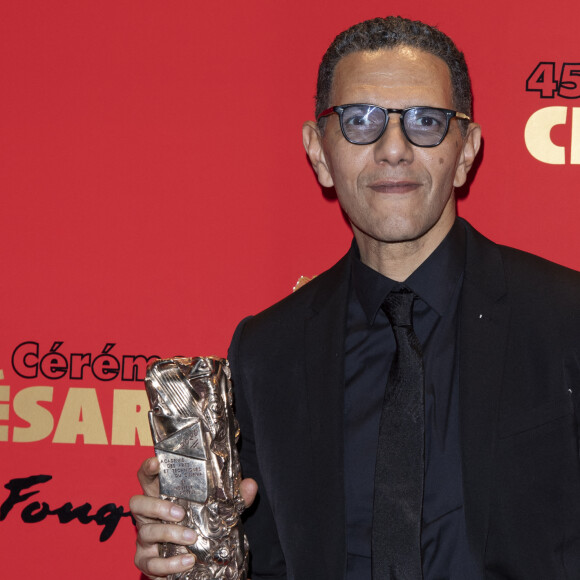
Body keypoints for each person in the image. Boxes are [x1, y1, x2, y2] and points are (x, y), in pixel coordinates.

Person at [130, 16, 580, 580]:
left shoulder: (566, 320)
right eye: (360, 120)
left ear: (467, 152)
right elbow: (259, 562)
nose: (394, 149)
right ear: (319, 152)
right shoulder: (268, 350)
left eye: (426, 121)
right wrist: (181, 552)